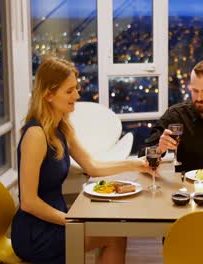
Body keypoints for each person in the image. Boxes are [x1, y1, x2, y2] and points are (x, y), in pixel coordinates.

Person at [11, 57, 149, 264]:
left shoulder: (61, 129)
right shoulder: (36, 136)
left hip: (56, 217)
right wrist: (72, 221)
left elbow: (91, 167)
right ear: (48, 94)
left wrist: (135, 163)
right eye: (69, 91)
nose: (76, 95)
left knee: (115, 233)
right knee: (113, 237)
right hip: (36, 231)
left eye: (75, 88)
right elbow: (29, 203)